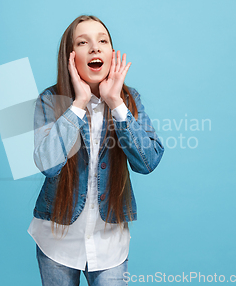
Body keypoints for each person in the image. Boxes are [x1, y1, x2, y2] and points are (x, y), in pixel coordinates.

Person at [28, 15, 164, 286]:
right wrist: (78, 104)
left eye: (103, 40)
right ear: (70, 56)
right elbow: (47, 164)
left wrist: (115, 103)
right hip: (56, 242)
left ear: (111, 53)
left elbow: (148, 162)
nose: (95, 48)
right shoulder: (49, 100)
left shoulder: (129, 100)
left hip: (109, 244)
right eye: (83, 42)